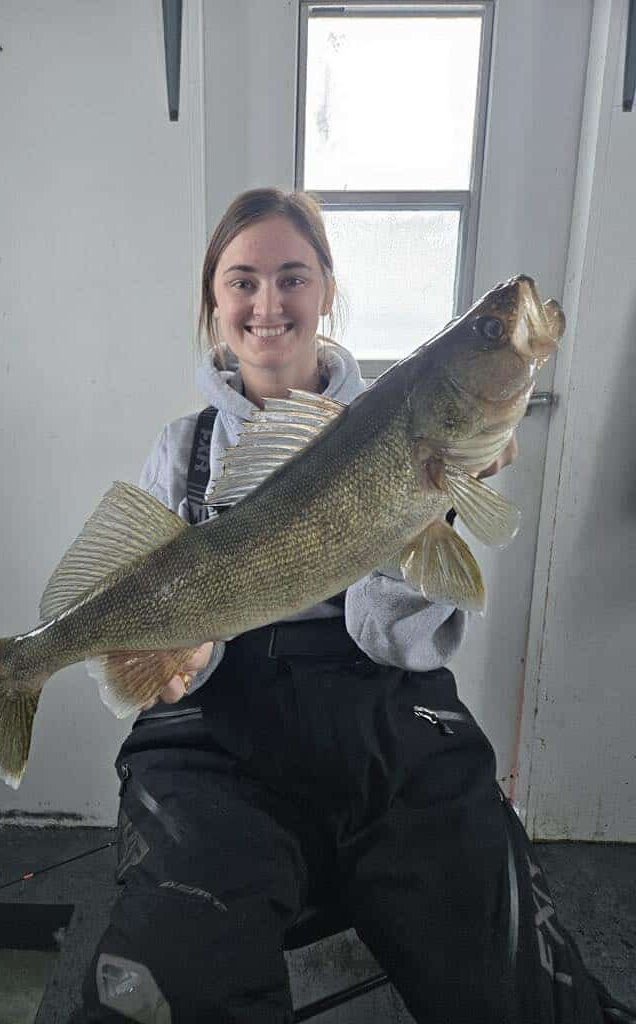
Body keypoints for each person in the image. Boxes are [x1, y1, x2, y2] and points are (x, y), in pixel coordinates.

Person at [73, 188, 634, 1024]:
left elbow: (392, 637)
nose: (269, 303)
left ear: (327, 289)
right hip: (218, 733)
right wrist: (177, 653)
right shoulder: (180, 448)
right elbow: (166, 615)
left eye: (293, 277)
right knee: (168, 977)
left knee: (510, 971)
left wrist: (430, 508)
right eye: (243, 281)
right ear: (214, 302)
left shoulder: (398, 422)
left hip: (381, 710)